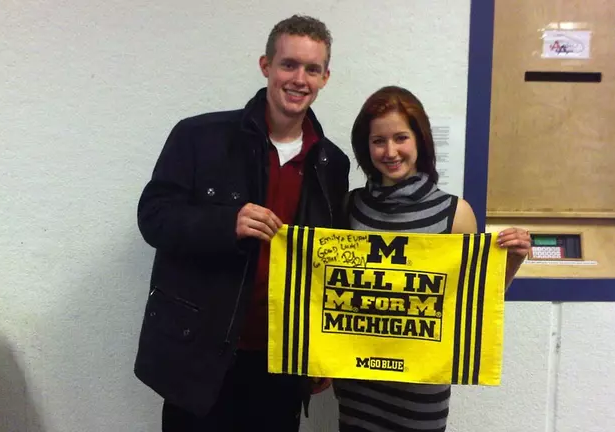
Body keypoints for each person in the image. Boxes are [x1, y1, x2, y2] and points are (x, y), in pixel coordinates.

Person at [133, 15, 350, 431]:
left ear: (325, 78)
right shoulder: (199, 136)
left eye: (312, 69)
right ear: (265, 65)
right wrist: (224, 223)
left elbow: (329, 264)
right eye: (288, 64)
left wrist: (323, 351)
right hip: (201, 357)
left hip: (281, 359)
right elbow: (153, 218)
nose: (299, 78)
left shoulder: (332, 163)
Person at [333, 86, 531, 432]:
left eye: (400, 137)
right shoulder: (350, 207)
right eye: (378, 140)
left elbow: (479, 301)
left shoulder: (455, 213)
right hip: (358, 386)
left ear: (420, 140)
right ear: (366, 147)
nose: (390, 151)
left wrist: (513, 260)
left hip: (421, 392)